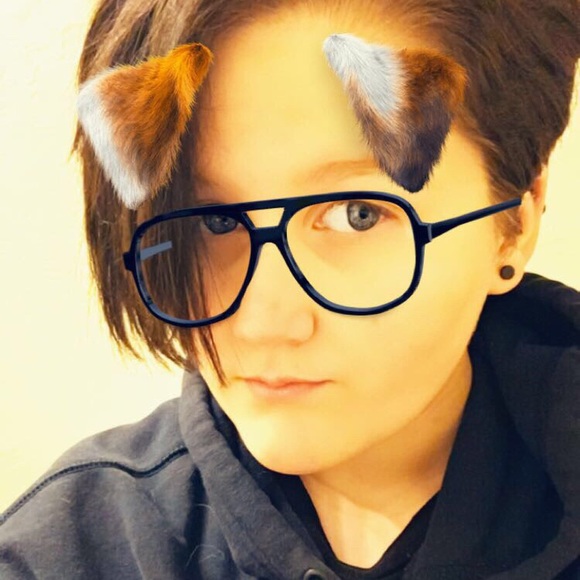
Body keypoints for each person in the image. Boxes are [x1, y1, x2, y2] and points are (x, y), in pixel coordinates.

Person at [1, 0, 579, 578]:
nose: (261, 324)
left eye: (357, 214)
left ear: (516, 223)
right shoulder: (73, 550)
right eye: (214, 221)